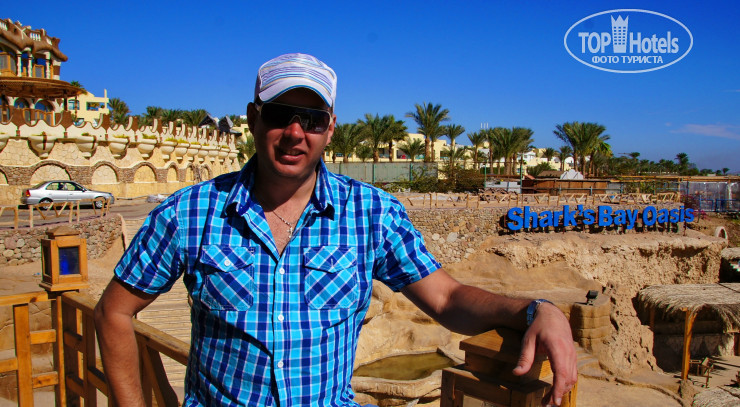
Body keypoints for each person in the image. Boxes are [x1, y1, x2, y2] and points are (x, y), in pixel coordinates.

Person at [94, 53, 577, 407]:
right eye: (280, 114)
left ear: (330, 129)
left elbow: (448, 299)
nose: (295, 132)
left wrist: (537, 309)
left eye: (312, 119)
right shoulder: (189, 213)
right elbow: (114, 311)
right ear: (253, 119)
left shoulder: (372, 214)